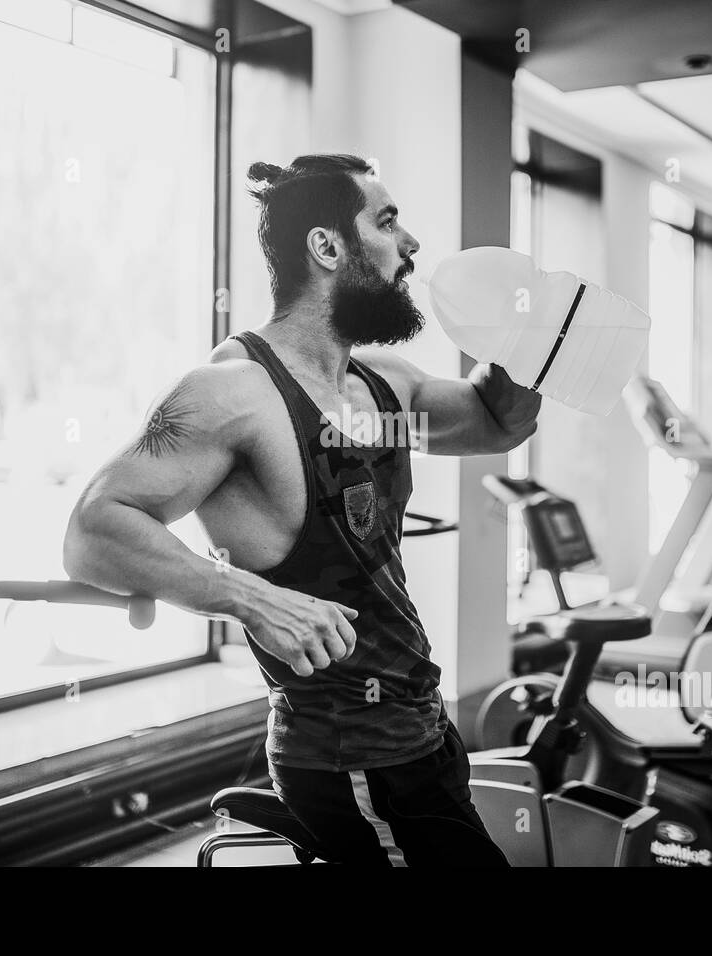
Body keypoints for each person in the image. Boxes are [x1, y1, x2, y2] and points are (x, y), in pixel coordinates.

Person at [62, 154, 540, 866]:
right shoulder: (235, 392)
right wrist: (253, 600)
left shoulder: (383, 384)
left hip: (422, 730)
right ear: (326, 247)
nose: (410, 244)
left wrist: (525, 333)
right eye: (386, 221)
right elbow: (94, 529)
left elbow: (497, 423)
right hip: (350, 759)